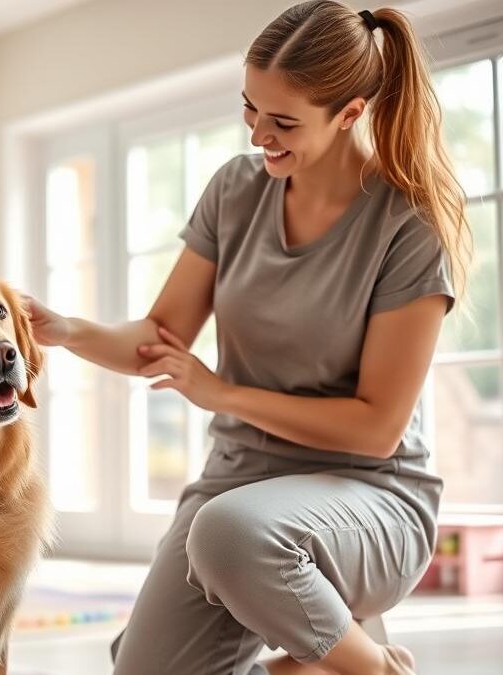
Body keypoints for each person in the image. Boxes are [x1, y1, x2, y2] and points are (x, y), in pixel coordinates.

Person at [23, 2, 472, 674]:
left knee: (230, 534)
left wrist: (222, 393)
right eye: (250, 108)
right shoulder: (235, 191)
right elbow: (160, 335)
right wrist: (65, 330)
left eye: (283, 121)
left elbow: (377, 428)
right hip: (238, 486)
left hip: (367, 494)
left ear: (349, 113)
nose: (259, 133)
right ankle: (306, 660)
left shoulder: (406, 227)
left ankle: (377, 669)